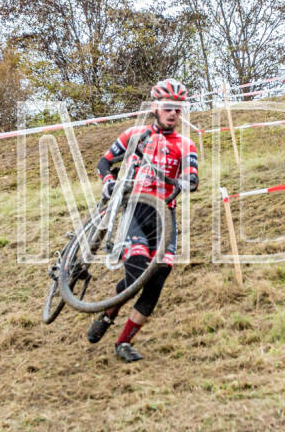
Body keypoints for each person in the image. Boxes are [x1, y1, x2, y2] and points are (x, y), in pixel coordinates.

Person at [85, 79, 199, 363]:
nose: (173, 114)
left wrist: (187, 180)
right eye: (168, 108)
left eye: (178, 109)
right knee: (136, 273)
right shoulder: (135, 135)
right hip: (135, 210)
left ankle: (123, 342)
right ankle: (108, 316)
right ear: (155, 108)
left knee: (159, 276)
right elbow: (104, 162)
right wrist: (109, 180)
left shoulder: (185, 144)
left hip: (164, 215)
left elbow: (194, 176)